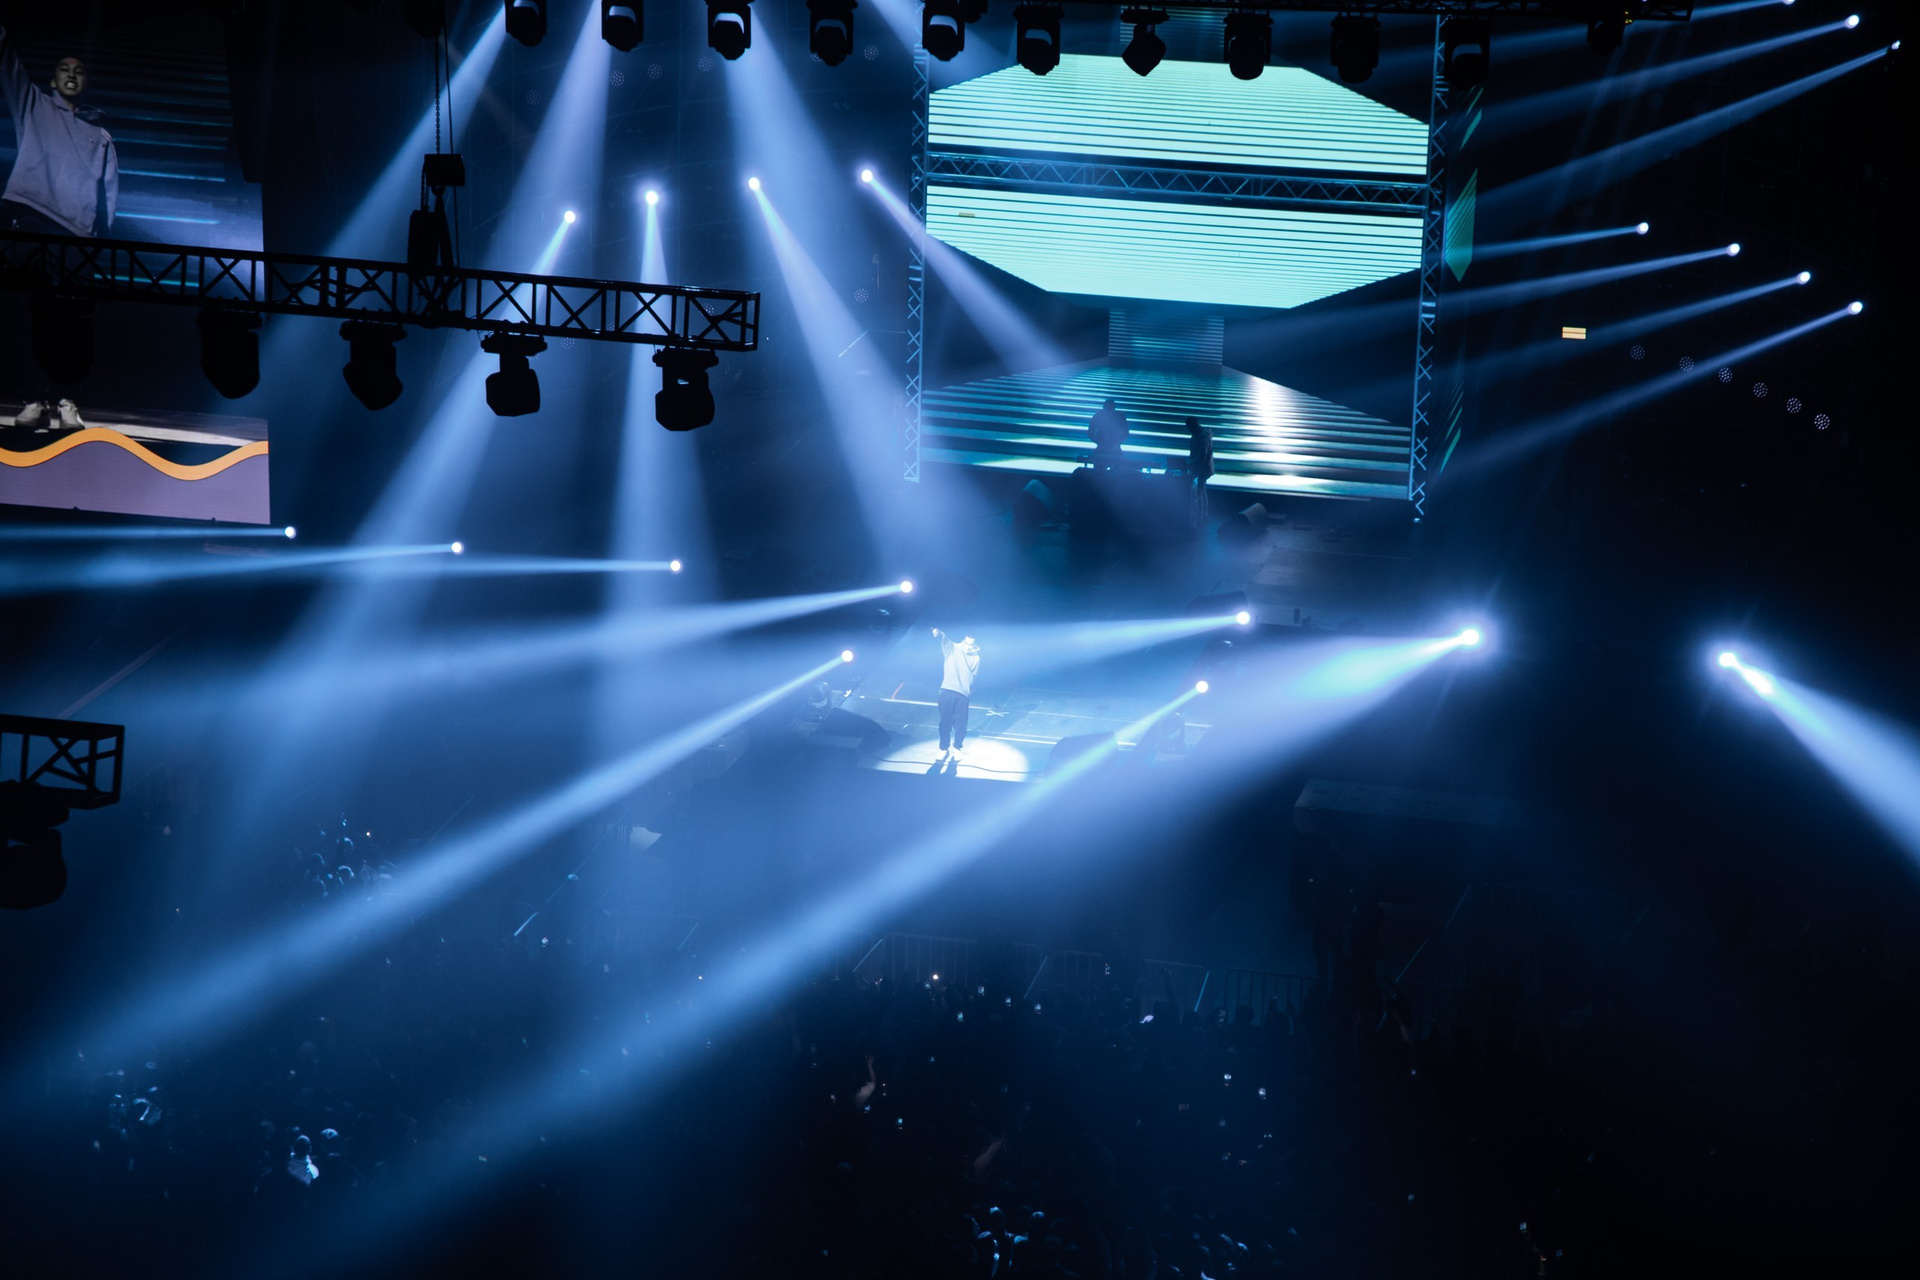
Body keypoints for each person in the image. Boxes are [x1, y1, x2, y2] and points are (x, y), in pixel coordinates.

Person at [0, 29, 119, 237]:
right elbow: (9, 66)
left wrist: (101, 240)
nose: (71, 75)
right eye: (64, 70)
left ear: (87, 84)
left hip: (77, 231)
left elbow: (109, 196)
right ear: (54, 82)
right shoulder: (34, 104)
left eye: (78, 72)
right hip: (30, 213)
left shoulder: (101, 136)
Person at [930, 627, 979, 765]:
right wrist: (938, 633)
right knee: (944, 722)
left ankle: (957, 748)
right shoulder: (953, 648)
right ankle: (943, 749)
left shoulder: (976, 658)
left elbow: (974, 677)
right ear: (963, 641)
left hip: (963, 694)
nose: (968, 647)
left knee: (961, 724)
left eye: (971, 645)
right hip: (947, 690)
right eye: (966, 643)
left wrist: (969, 690)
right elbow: (944, 638)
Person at [1184, 417, 1214, 528]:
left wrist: (1189, 462)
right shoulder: (1202, 435)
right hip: (1203, 469)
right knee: (1202, 491)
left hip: (1201, 469)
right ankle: (1203, 516)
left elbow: (1201, 456)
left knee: (1199, 493)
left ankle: (1200, 518)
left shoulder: (1202, 438)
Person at [1088, 397, 1129, 466]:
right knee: (1116, 467)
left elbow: (1090, 432)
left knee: (1099, 467)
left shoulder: (1097, 415)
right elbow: (1126, 432)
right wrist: (1118, 442)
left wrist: (1099, 442)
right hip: (1112, 446)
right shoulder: (1120, 416)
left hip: (1106, 445)